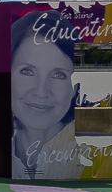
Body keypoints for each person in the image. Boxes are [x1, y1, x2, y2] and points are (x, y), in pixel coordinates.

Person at [9, 10, 79, 180]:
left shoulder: (108, 158)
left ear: (74, 87)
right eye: (27, 71)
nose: (41, 92)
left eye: (59, 75)